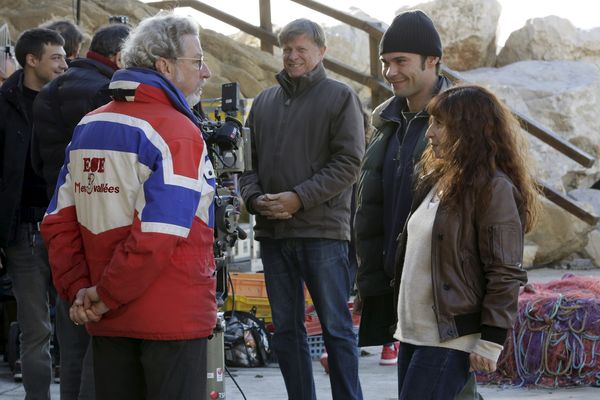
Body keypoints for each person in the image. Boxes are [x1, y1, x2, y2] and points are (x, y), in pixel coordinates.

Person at [40, 13, 216, 399]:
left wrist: (82, 291)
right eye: (197, 60)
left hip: (106, 318)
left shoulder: (89, 125)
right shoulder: (177, 132)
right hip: (170, 319)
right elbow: (158, 234)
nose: (205, 72)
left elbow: (57, 221)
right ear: (165, 66)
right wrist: (103, 294)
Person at [240, 18, 365, 400]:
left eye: (301, 49)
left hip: (323, 234)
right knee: (287, 330)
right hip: (274, 235)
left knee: (336, 328)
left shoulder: (340, 97)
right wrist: (253, 200)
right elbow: (246, 166)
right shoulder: (263, 101)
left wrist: (299, 197)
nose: (292, 57)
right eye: (287, 49)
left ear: (321, 52)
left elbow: (349, 163)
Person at [393, 84, 539, 398]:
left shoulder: (493, 188)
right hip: (413, 334)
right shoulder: (436, 179)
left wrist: (491, 340)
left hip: (450, 338)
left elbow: (505, 271)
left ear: (469, 129)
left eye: (440, 124)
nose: (430, 133)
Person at [32, 22, 131, 400]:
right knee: (100, 342)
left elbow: (38, 162)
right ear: (121, 56)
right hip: (101, 225)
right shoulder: (108, 93)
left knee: (70, 340)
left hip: (58, 219)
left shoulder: (48, 91)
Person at [354, 9, 449, 366]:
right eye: (385, 62)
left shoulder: (461, 122)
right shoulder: (386, 123)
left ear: (432, 60)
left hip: (439, 296)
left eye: (400, 61)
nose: (390, 72)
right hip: (396, 291)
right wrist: (369, 283)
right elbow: (373, 210)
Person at [0, 27, 67, 399]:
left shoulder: (67, 100)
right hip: (23, 231)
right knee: (35, 328)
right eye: (56, 57)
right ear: (31, 60)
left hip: (67, 227)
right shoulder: (4, 103)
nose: (64, 64)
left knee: (76, 322)